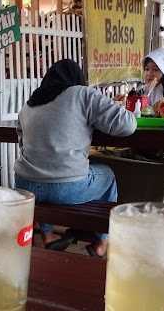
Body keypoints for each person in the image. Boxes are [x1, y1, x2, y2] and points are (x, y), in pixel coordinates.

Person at [14, 59, 136, 257]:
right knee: (107, 174)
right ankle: (102, 241)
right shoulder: (81, 93)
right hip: (67, 189)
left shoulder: (29, 104)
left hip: (25, 184)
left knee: (45, 171)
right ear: (77, 79)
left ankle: (48, 235)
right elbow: (127, 125)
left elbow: (22, 143)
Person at [96, 48, 164, 204]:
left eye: (156, 70)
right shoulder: (140, 92)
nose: (149, 74)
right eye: (147, 69)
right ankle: (121, 205)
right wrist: (120, 104)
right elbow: (131, 119)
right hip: (140, 149)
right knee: (100, 158)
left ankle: (153, 209)